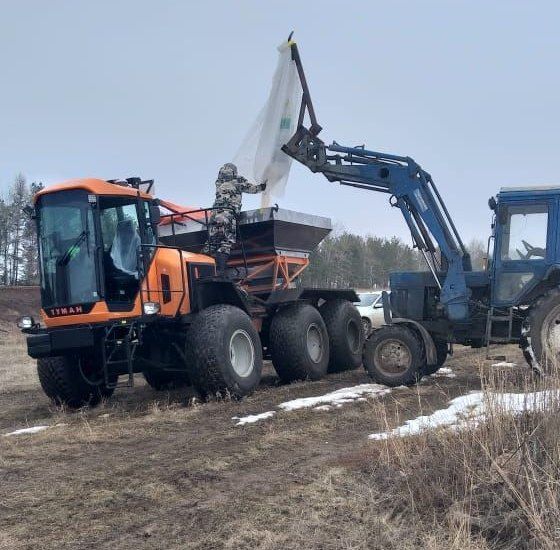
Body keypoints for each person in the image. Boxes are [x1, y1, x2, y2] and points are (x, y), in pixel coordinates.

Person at [205, 163, 266, 276]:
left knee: (212, 243)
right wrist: (264, 186)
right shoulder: (237, 182)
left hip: (214, 215)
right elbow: (254, 189)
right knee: (225, 243)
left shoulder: (219, 183)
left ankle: (204, 270)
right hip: (227, 215)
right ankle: (222, 273)